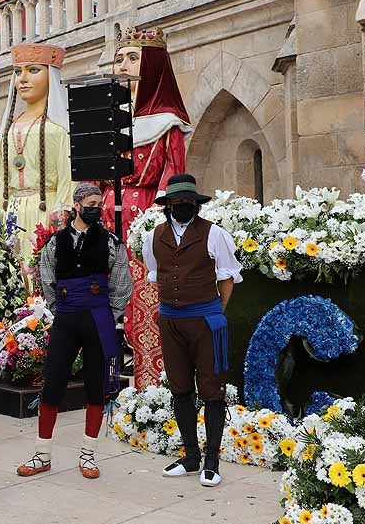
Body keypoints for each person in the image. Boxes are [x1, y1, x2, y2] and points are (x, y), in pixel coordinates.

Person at [17, 183, 133, 480]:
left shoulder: (110, 242)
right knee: (53, 383)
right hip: (67, 318)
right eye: (92, 202)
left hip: (98, 318)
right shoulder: (56, 242)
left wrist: (110, 312)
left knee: (96, 386)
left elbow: (122, 278)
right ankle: (42, 454)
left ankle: (89, 455)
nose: (97, 207)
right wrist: (60, 308)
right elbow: (46, 276)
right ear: (77, 205)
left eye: (100, 203)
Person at [101, 27, 194, 389]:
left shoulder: (165, 122)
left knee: (144, 303)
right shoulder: (107, 118)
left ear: (152, 65)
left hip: (143, 222)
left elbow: (172, 178)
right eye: (119, 58)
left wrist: (156, 224)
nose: (122, 65)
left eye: (132, 58)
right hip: (105, 221)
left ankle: (150, 382)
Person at [143, 174, 242, 488]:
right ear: (168, 204)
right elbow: (155, 275)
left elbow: (227, 278)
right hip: (170, 321)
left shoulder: (215, 234)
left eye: (189, 202)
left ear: (196, 204)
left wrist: (213, 312)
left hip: (204, 320)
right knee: (180, 387)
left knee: (211, 389)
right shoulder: (153, 237)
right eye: (178, 202)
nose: (183, 206)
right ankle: (190, 456)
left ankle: (211, 461)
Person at [0, 44, 74, 253]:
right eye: (17, 72)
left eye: (33, 70)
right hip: (10, 214)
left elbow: (68, 177)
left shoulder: (59, 128)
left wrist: (62, 211)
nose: (22, 79)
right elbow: (0, 179)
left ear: (52, 75)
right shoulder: (9, 128)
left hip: (45, 211)